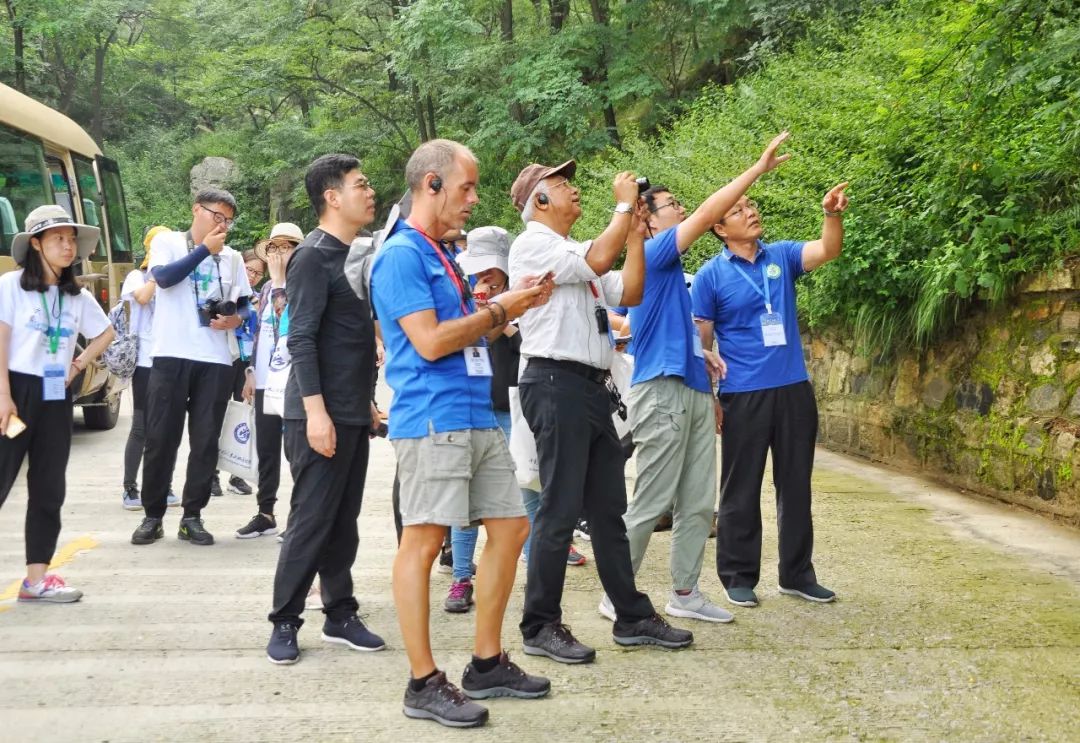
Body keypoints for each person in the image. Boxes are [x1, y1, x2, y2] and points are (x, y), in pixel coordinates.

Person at [371, 139, 554, 728]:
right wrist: (500, 311)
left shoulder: (442, 253)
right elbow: (427, 342)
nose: (474, 200)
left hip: (474, 412)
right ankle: (422, 681)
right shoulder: (402, 255)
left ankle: (486, 661)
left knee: (511, 524)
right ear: (431, 184)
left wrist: (512, 306)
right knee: (423, 542)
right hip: (432, 417)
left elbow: (465, 334)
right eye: (466, 188)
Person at [508, 160, 693, 665]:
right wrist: (622, 207)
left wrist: (634, 234)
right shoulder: (533, 245)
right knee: (559, 509)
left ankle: (631, 616)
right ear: (539, 202)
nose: (573, 190)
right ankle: (539, 624)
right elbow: (597, 259)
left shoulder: (575, 256)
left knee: (608, 510)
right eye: (562, 185)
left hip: (588, 386)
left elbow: (629, 292)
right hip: (553, 381)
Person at [614, 132, 793, 625]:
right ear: (647, 220)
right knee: (651, 499)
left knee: (697, 502)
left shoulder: (672, 271)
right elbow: (710, 211)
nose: (682, 208)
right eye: (672, 205)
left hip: (690, 388)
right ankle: (618, 591)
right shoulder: (650, 254)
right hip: (660, 389)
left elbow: (677, 329)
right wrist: (756, 170)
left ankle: (685, 592)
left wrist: (705, 363)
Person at [692, 159, 850, 608]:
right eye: (739, 210)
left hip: (793, 388)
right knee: (741, 488)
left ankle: (797, 574)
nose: (751, 212)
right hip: (743, 393)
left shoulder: (780, 255)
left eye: (753, 205)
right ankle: (739, 575)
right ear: (720, 229)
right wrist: (711, 398)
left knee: (796, 484)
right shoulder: (710, 276)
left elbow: (827, 250)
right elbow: (703, 341)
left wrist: (831, 215)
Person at [265, 154, 385, 665]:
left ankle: (340, 613)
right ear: (332, 197)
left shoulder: (353, 254)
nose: (370, 191)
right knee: (312, 519)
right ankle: (285, 621)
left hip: (352, 409)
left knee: (344, 520)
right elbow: (302, 338)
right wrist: (317, 414)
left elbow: (353, 341)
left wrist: (367, 403)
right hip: (317, 412)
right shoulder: (311, 256)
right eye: (361, 185)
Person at [0, 205, 114, 602]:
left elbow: (106, 332)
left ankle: (36, 579)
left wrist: (79, 362)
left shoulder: (76, 295)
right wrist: (3, 396)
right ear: (36, 244)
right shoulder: (12, 286)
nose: (68, 247)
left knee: (49, 486)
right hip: (15, 391)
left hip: (54, 396)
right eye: (57, 239)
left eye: (70, 239)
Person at [130, 188, 253, 547]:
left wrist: (236, 320)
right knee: (160, 439)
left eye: (228, 220)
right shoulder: (168, 241)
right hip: (170, 354)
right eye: (218, 216)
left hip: (214, 360)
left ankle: (192, 516)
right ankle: (153, 515)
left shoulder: (231, 258)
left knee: (205, 442)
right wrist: (204, 251)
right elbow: (164, 278)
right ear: (197, 210)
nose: (223, 225)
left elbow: (245, 304)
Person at [236, 223, 302, 538]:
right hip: (264, 380)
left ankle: (301, 517)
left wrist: (278, 281)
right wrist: (250, 370)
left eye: (285, 247)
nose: (278, 254)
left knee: (296, 451)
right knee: (267, 450)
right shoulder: (264, 289)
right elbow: (260, 334)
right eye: (273, 248)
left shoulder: (302, 282)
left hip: (291, 382)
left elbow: (283, 324)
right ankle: (265, 511)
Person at [120, 225, 179, 511]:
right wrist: (159, 274)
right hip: (144, 362)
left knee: (166, 428)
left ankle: (162, 485)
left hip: (169, 360)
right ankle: (130, 487)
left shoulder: (176, 277)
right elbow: (142, 298)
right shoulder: (137, 276)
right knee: (141, 427)